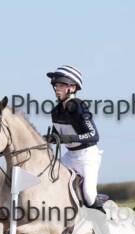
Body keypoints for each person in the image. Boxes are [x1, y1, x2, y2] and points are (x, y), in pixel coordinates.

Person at [45, 65, 107, 210]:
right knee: (49, 177)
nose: (57, 89)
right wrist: (44, 139)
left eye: (61, 85)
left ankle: (104, 221)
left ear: (72, 88)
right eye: (56, 85)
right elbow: (56, 136)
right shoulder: (56, 111)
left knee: (89, 196)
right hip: (70, 157)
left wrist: (68, 138)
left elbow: (93, 135)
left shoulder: (78, 107)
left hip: (87, 157)